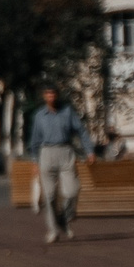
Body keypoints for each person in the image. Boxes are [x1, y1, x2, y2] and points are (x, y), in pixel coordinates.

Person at [27, 85, 90, 243]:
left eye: (53, 93)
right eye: (48, 94)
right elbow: (34, 140)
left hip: (65, 151)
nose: (51, 96)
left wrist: (89, 150)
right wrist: (35, 161)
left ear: (57, 95)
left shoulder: (67, 111)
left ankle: (64, 217)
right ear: (44, 96)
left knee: (72, 190)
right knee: (49, 195)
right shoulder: (39, 115)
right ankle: (53, 230)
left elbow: (81, 131)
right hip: (46, 153)